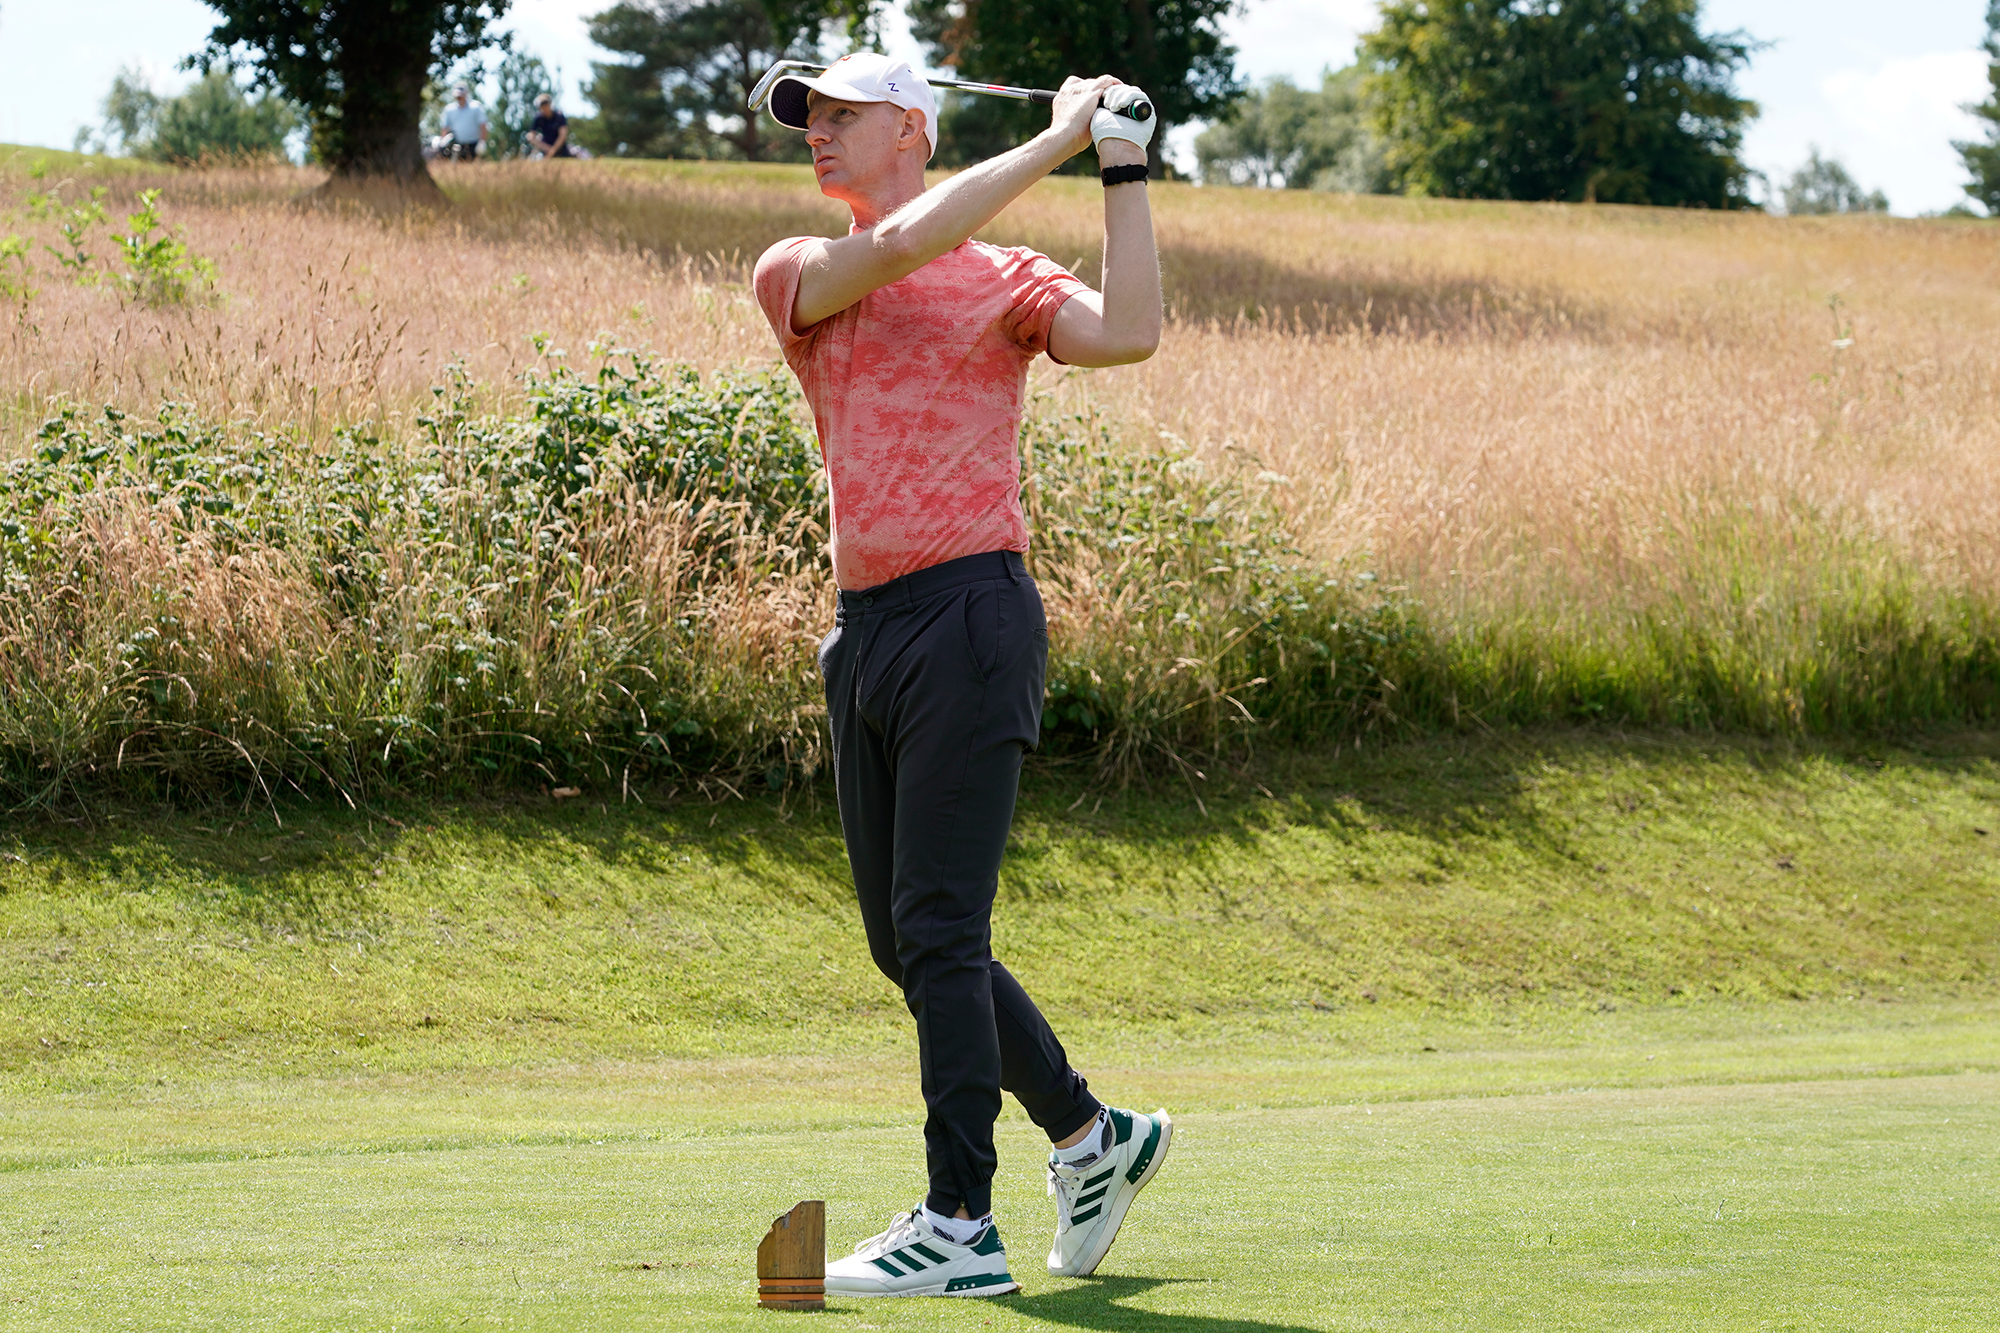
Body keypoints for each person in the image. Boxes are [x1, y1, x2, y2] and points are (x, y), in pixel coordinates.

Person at [750, 52, 1170, 1300]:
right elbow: (900, 248)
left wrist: (1121, 164)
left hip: (972, 614)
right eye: (807, 118)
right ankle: (1094, 1135)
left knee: (940, 928)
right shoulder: (798, 267)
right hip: (864, 632)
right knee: (906, 939)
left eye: (839, 113)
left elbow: (1130, 332)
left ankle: (957, 1223)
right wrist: (1051, 141)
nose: (815, 133)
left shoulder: (1004, 279)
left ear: (911, 129)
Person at [438, 85, 488, 159]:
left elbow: (483, 125)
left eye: (461, 95)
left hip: (473, 144)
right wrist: (442, 142)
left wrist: (482, 142)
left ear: (466, 94)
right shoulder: (449, 109)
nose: (459, 97)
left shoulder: (476, 107)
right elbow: (445, 127)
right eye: (457, 96)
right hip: (456, 144)